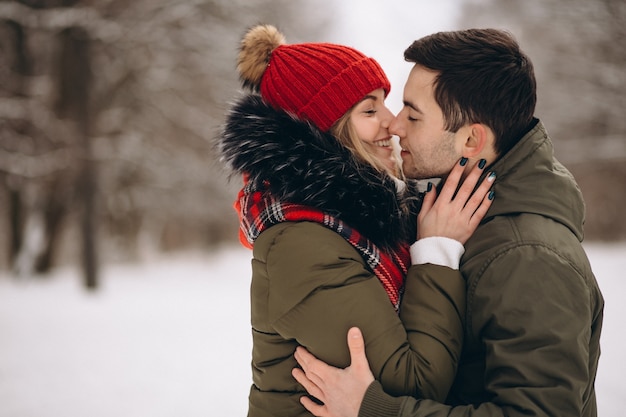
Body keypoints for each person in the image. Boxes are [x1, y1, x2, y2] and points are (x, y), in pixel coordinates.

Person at [292, 28, 604, 417]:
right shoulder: (455, 214)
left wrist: (376, 410)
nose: (396, 126)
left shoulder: (530, 256)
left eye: (413, 114)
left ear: (471, 142)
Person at [217, 25, 495, 417]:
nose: (393, 123)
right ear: (326, 130)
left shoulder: (362, 220)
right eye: (369, 110)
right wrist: (436, 253)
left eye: (385, 103)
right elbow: (414, 381)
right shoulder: (301, 243)